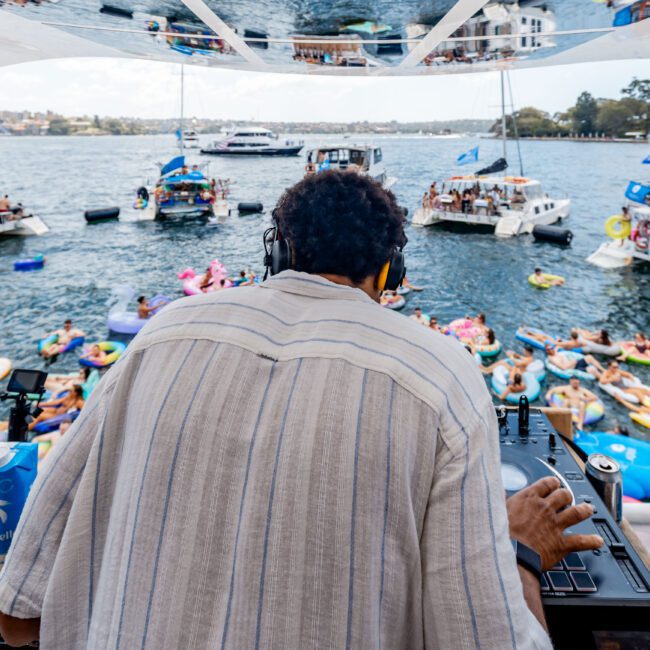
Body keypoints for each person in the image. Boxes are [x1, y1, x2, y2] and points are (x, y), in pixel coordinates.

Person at [0, 170, 601, 649]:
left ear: (277, 252)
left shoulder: (160, 336)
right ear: (391, 268)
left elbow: (18, 612)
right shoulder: (442, 373)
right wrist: (519, 552)